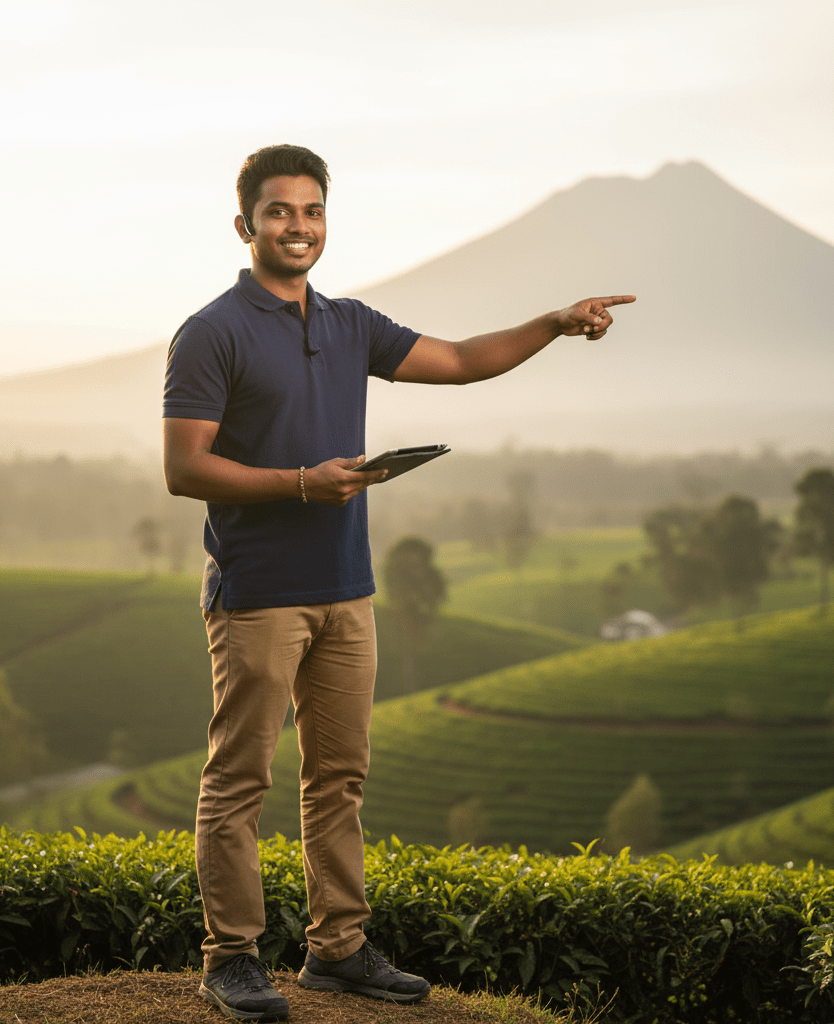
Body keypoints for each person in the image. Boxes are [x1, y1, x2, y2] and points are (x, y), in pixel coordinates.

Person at [163, 143, 635, 1022]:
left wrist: (553, 324)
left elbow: (458, 360)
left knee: (338, 776)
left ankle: (337, 948)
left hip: (348, 586)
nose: (297, 226)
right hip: (259, 591)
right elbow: (184, 469)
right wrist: (303, 484)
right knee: (241, 779)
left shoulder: (349, 324)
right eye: (279, 212)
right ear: (245, 225)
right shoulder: (212, 331)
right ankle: (230, 956)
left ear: (325, 222)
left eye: (311, 211)